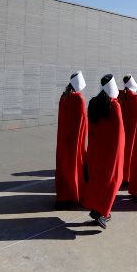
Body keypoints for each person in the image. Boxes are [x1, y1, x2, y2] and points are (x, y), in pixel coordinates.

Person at [83, 74, 125, 229]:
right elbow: (119, 134)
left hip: (95, 149)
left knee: (97, 181)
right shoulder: (114, 106)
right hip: (110, 152)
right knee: (112, 181)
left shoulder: (93, 103)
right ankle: (102, 212)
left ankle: (96, 209)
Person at [55, 71, 88, 209]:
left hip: (64, 138)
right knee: (74, 165)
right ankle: (74, 194)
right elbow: (83, 121)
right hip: (75, 140)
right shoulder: (78, 99)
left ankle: (63, 194)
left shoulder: (64, 96)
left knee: (64, 165)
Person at [118, 75, 137, 186]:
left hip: (123, 128)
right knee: (130, 152)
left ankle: (122, 175)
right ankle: (127, 177)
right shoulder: (135, 97)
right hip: (132, 128)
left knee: (123, 152)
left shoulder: (121, 94)